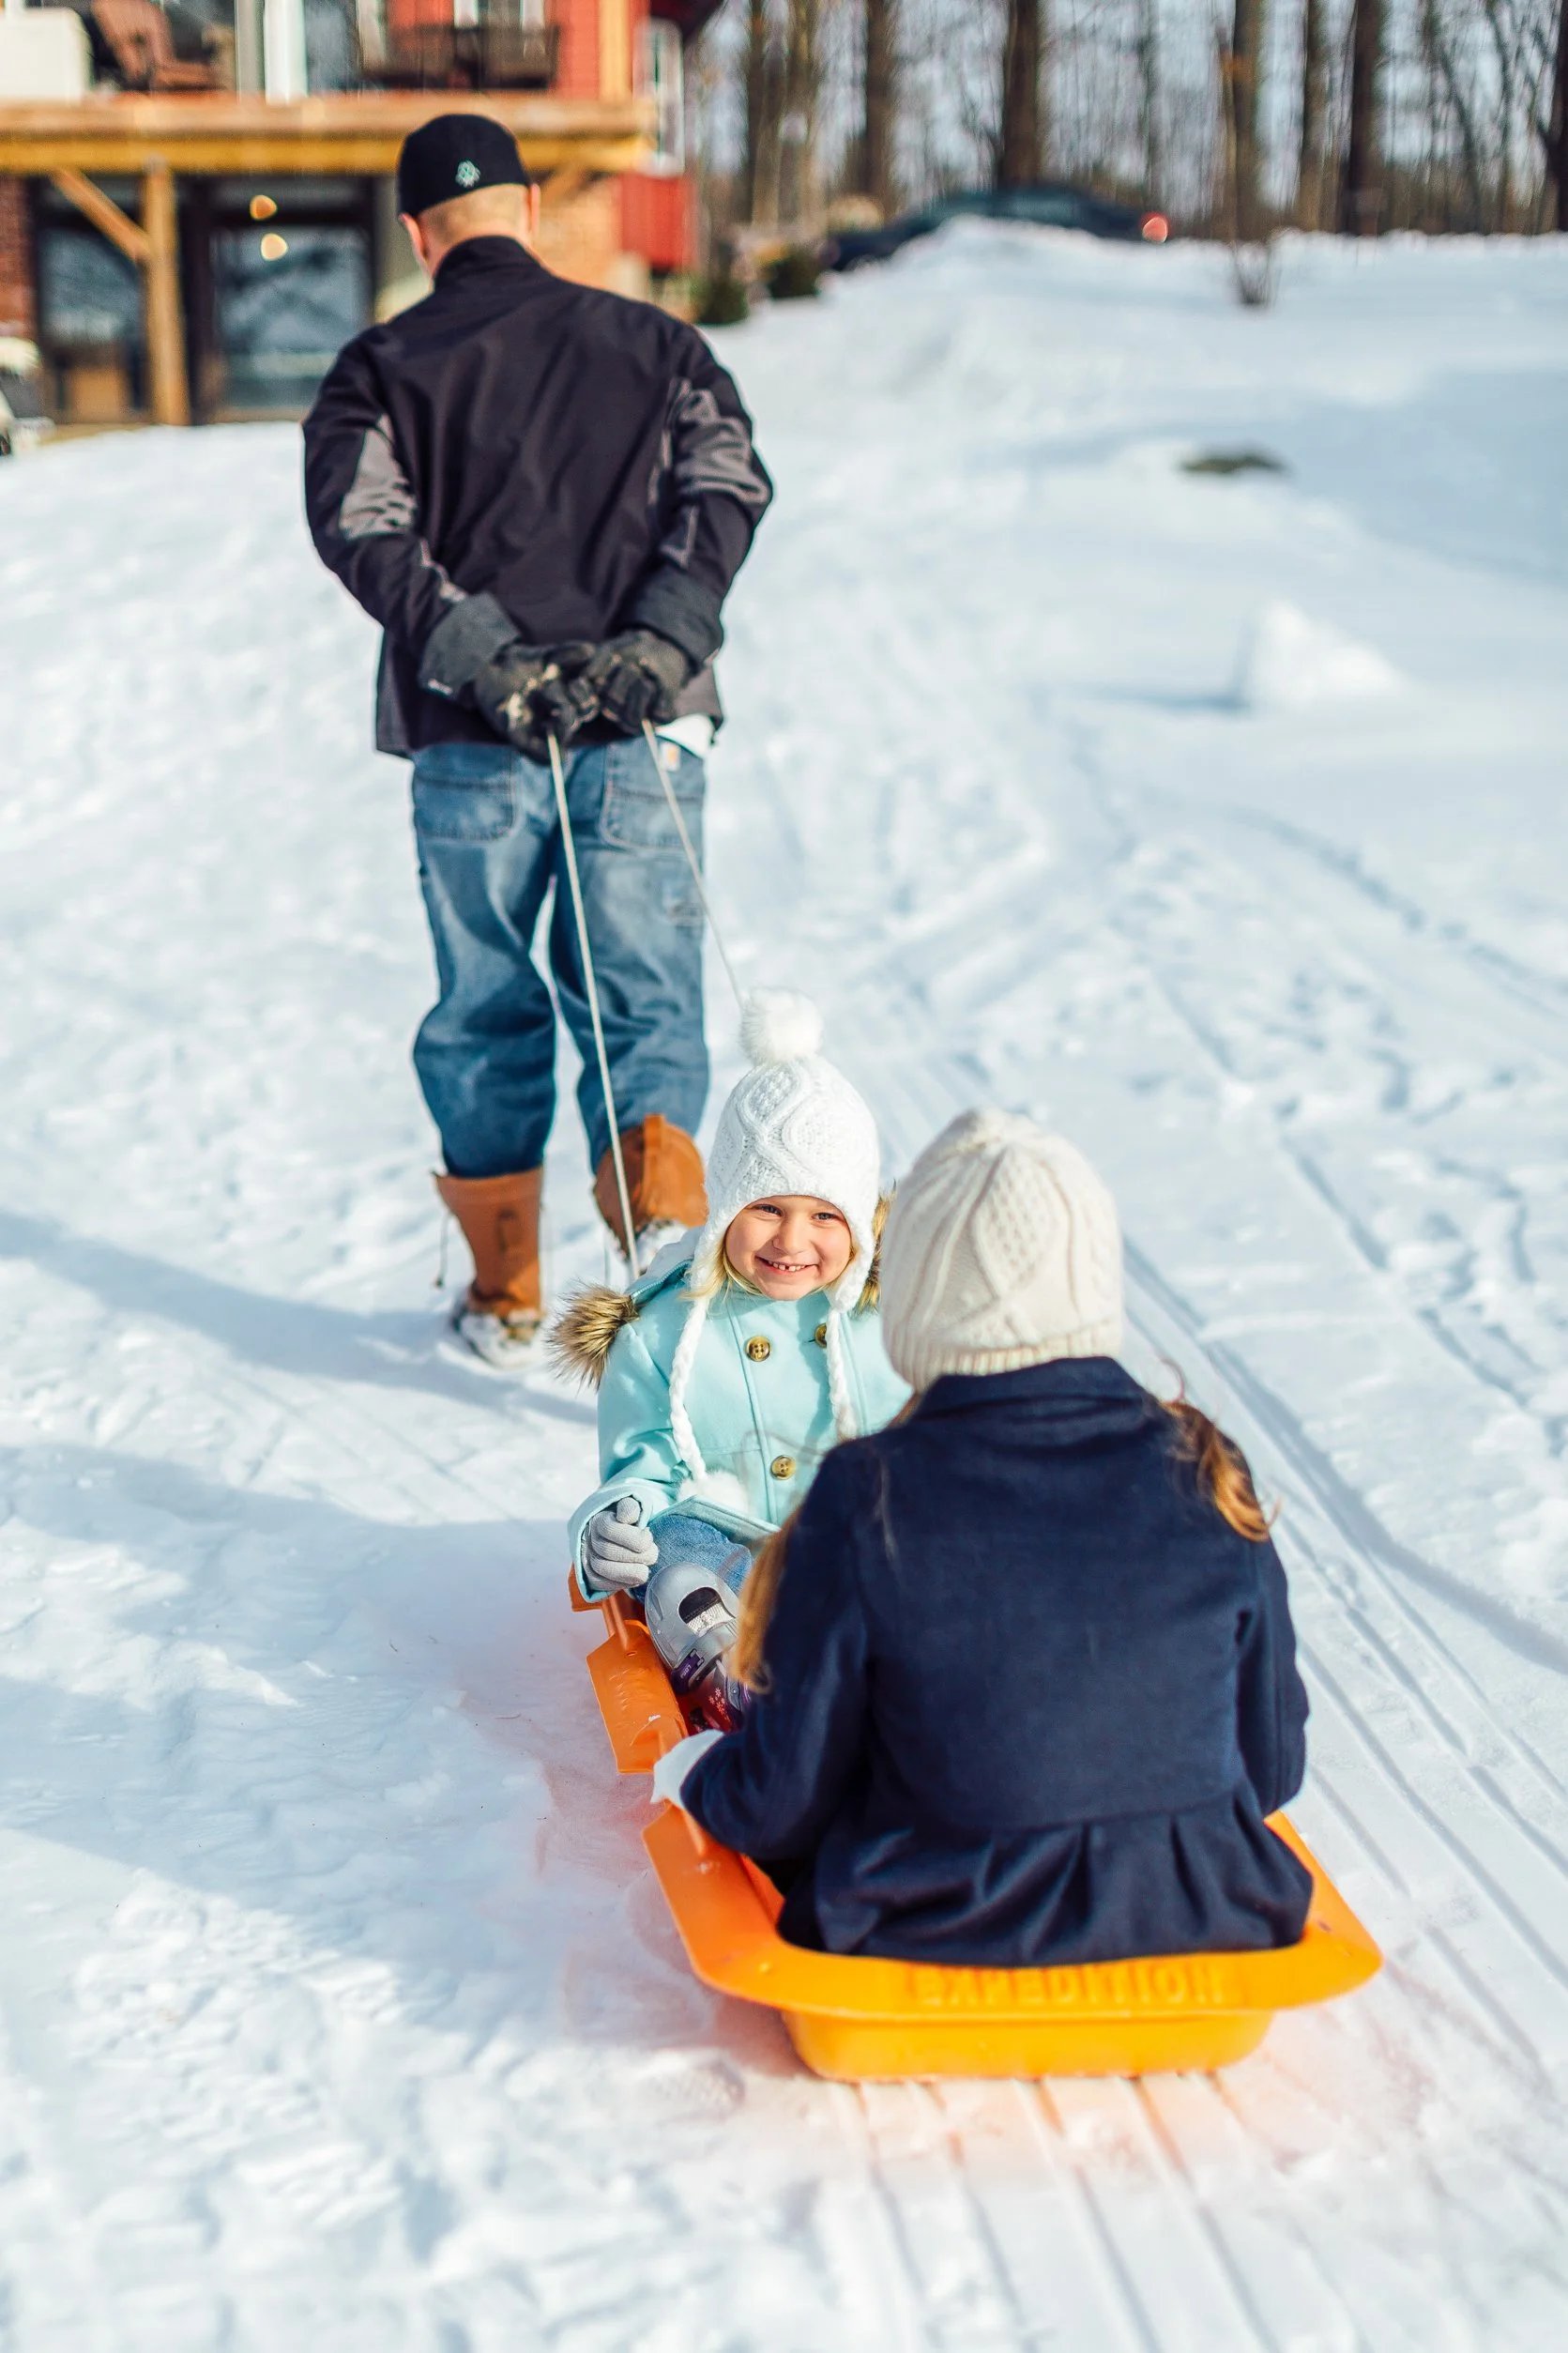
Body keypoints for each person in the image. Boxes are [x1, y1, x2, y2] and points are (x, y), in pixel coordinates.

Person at [302, 114, 773, 1369]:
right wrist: (656, 646)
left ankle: (505, 1288)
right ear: (525, 205)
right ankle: (664, 1297)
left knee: (485, 1003)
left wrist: (480, 658)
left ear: (417, 230)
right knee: (646, 1007)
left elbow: (363, 524)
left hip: (470, 741)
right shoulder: (660, 345)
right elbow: (725, 485)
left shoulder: (379, 366)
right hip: (643, 735)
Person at [653, 1108, 1314, 1969]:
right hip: (1202, 1910)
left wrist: (699, 1773)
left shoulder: (869, 1492)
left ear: (921, 1297)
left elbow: (784, 1800)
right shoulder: (1203, 1465)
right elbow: (1267, 1768)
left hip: (921, 1924)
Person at [552, 992, 908, 1602]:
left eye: (824, 1214)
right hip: (731, 1569)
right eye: (766, 1207)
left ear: (855, 1222)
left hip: (862, 1557)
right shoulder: (658, 1330)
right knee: (674, 1536)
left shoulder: (890, 1320)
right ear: (723, 1208)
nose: (792, 1239)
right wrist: (618, 1522)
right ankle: (726, 1652)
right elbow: (644, 1469)